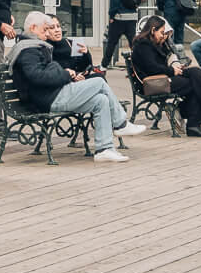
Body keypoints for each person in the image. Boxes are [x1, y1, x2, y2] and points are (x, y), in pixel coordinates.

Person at [9, 12, 145, 163]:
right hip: (50, 98)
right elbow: (37, 77)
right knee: (99, 82)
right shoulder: (29, 50)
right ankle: (120, 124)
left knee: (100, 101)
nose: (47, 33)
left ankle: (104, 149)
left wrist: (63, 72)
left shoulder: (34, 47)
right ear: (33, 27)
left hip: (53, 95)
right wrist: (65, 74)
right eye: (45, 29)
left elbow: (42, 73)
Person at [130, 15, 201, 138]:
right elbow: (152, 68)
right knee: (195, 84)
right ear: (153, 30)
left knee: (195, 72)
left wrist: (166, 45)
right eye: (161, 32)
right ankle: (198, 119)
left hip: (162, 78)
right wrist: (172, 71)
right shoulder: (142, 45)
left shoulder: (154, 42)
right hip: (152, 83)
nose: (163, 35)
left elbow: (162, 62)